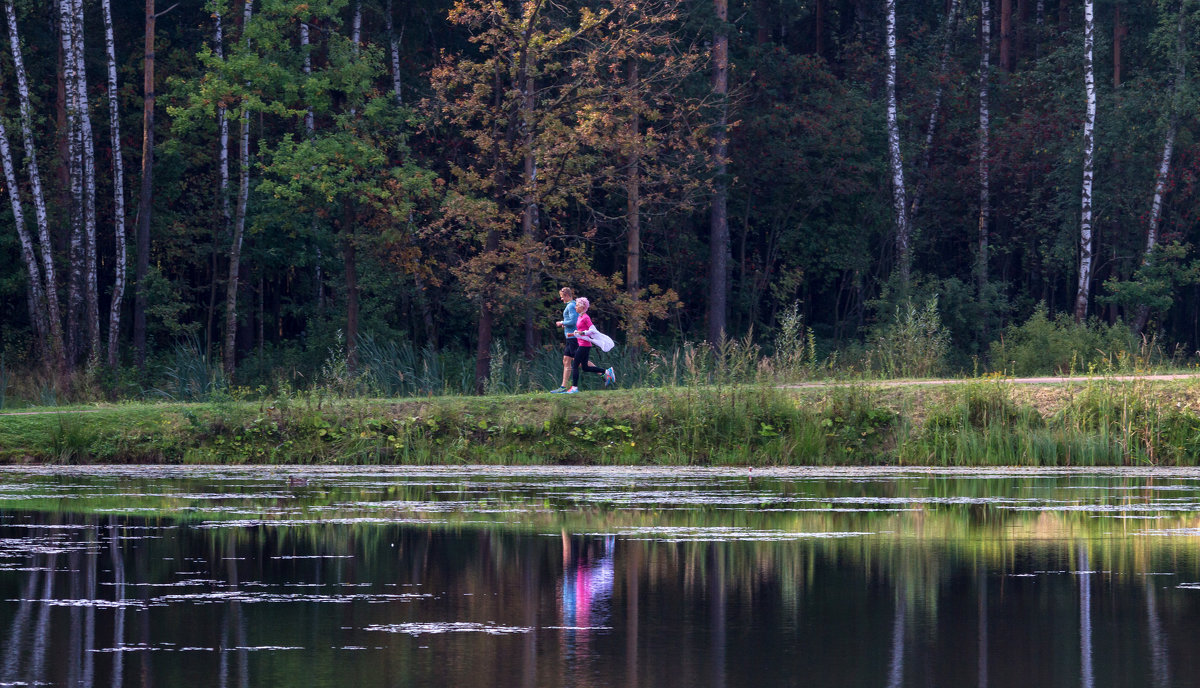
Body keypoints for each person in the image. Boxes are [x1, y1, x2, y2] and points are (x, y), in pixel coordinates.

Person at [563, 297, 615, 394]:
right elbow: (580, 331)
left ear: (582, 307)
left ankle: (574, 388)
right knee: (585, 367)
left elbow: (592, 331)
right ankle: (607, 372)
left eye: (577, 306)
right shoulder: (579, 317)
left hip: (585, 345)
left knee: (575, 365)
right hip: (582, 344)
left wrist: (582, 333)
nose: (575, 307)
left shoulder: (586, 317)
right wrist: (573, 334)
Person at [551, 287, 578, 393]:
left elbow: (573, 321)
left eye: (562, 297)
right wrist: (565, 324)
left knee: (579, 361)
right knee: (566, 361)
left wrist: (562, 322)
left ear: (567, 295)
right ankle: (563, 387)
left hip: (573, 338)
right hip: (569, 337)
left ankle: (604, 373)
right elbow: (570, 321)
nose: (561, 299)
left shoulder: (571, 305)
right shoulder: (571, 305)